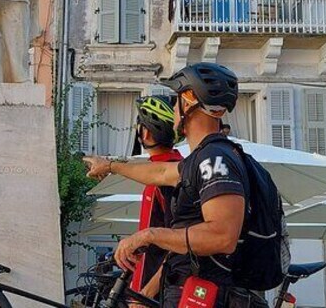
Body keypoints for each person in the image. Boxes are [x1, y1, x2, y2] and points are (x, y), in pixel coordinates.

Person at [85, 63, 262, 308]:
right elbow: (160, 171)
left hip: (205, 292)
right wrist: (110, 166)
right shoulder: (201, 158)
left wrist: (149, 235)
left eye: (176, 99)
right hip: (189, 290)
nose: (174, 110)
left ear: (188, 102)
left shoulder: (215, 159)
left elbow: (222, 236)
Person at [129, 95, 183, 302]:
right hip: (158, 288)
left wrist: (145, 293)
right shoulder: (173, 167)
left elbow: (180, 244)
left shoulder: (166, 179)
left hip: (157, 292)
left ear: (146, 132)